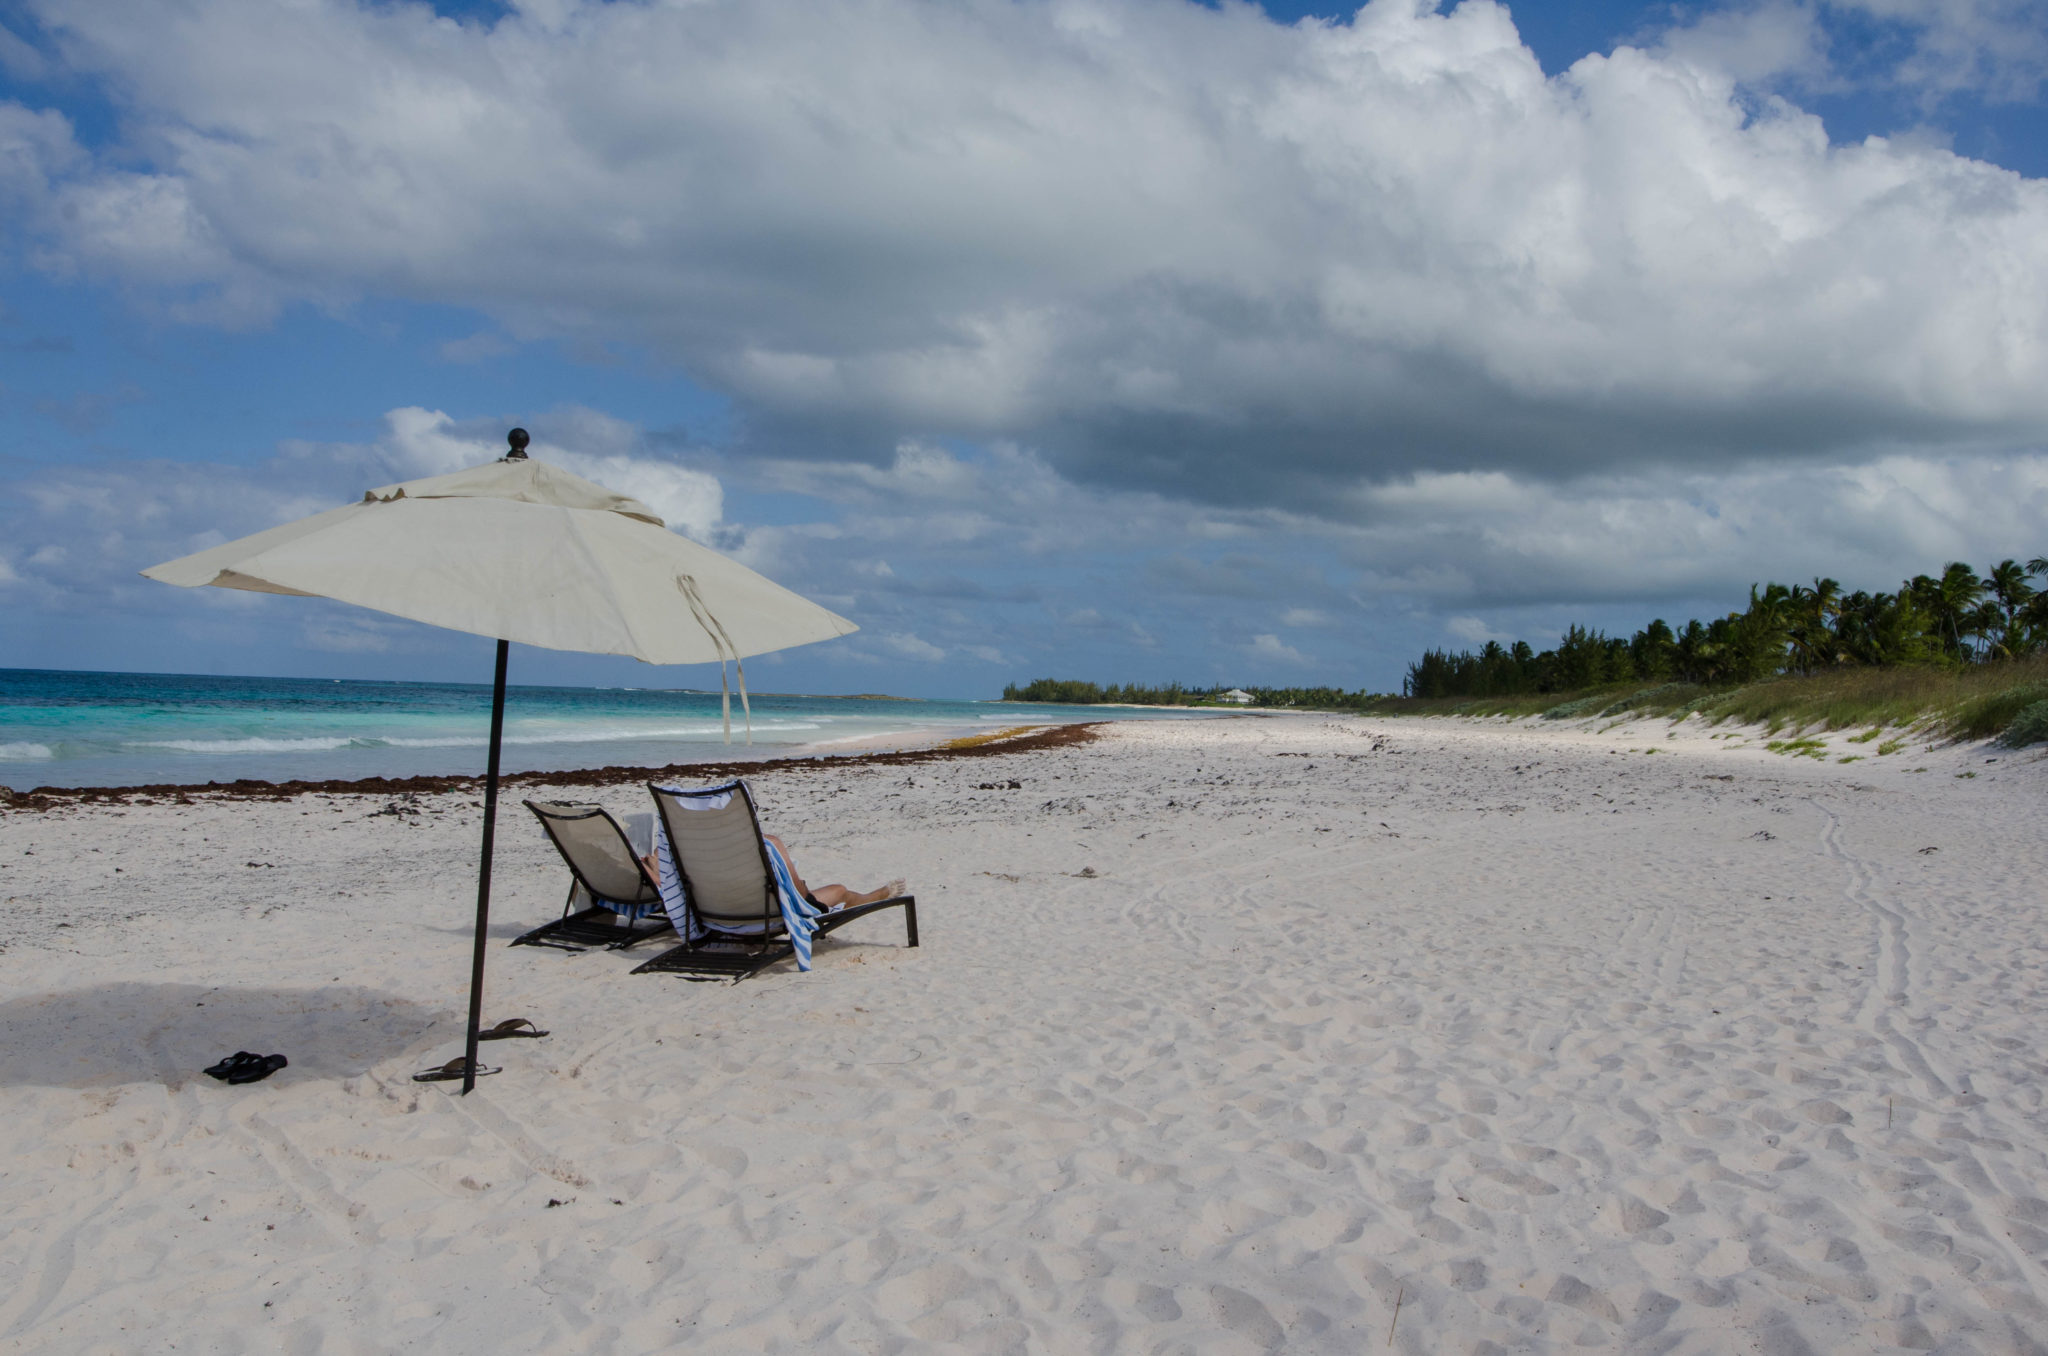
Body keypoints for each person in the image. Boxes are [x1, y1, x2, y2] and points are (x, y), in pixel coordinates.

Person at [640, 836, 904, 912]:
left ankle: (860, 897)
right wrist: (798, 883)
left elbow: (672, 893)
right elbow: (801, 899)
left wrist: (655, 871)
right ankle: (863, 898)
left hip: (712, 913)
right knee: (839, 889)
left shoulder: (693, 854)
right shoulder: (767, 844)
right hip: (767, 914)